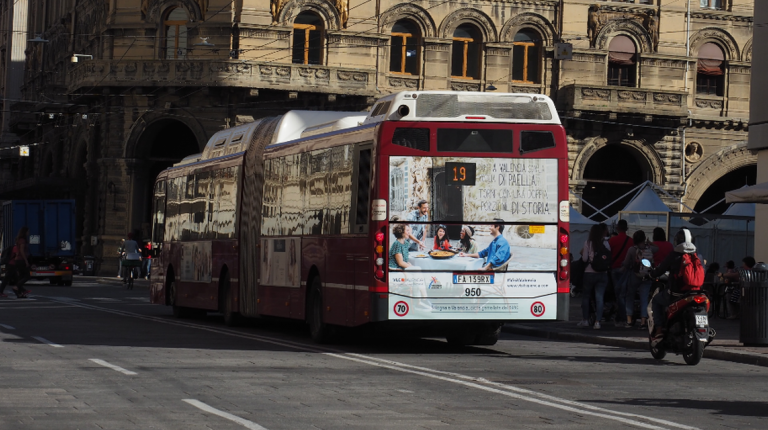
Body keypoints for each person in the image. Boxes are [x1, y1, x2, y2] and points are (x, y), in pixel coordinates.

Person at [649, 228, 700, 338]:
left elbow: (659, 270)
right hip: (694, 292)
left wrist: (651, 273)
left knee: (656, 301)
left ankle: (659, 329)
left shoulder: (674, 255)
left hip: (676, 294)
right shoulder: (696, 256)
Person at [620, 230, 658, 329]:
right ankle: (643, 322)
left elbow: (627, 263)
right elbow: (657, 248)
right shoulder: (651, 248)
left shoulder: (632, 250)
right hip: (647, 276)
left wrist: (623, 266)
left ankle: (629, 320)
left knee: (630, 296)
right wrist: (649, 243)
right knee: (644, 299)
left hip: (635, 275)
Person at [577, 224, 611, 329]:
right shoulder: (606, 243)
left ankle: (585, 320)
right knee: (599, 298)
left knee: (586, 297)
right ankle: (597, 322)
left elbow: (584, 259)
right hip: (603, 274)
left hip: (589, 273)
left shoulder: (588, 243)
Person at [608, 219, 632, 327]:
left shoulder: (612, 241)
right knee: (623, 294)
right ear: (626, 229)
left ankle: (621, 316)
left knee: (619, 295)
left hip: (614, 268)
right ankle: (624, 316)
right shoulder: (631, 241)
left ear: (617, 228)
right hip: (626, 270)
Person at [11, 227, 31, 298]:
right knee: (27, 275)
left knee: (21, 277)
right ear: (25, 232)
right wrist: (26, 261)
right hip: (21, 260)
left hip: (17, 260)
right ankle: (16, 287)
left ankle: (20, 293)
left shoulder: (19, 240)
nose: (28, 233)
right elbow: (22, 251)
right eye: (27, 231)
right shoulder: (22, 240)